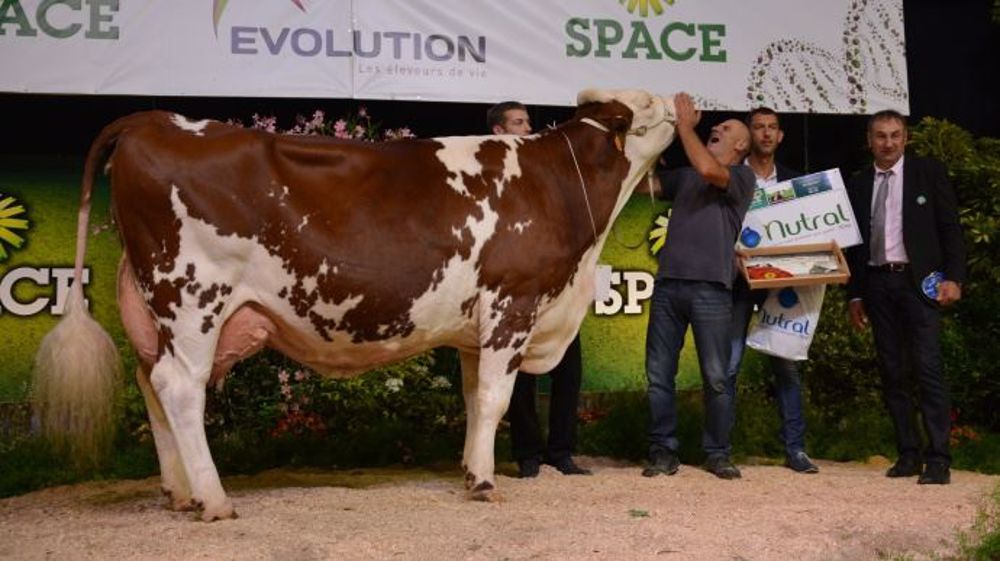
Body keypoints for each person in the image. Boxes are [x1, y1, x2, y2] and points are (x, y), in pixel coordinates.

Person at [845, 110, 965, 485]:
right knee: (893, 372)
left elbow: (951, 229)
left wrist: (955, 278)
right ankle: (908, 454)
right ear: (870, 140)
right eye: (881, 136)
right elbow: (853, 244)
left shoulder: (928, 172)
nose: (888, 143)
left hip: (920, 285)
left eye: (895, 135)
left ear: (906, 138)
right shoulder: (860, 182)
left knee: (927, 369)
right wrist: (855, 295)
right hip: (878, 284)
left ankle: (939, 458)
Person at [642, 93, 755, 480]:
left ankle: (718, 452)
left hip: (712, 289)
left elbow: (710, 171)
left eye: (725, 129)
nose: (716, 129)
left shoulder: (741, 177)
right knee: (658, 375)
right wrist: (653, 137)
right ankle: (662, 451)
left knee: (716, 377)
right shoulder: (688, 173)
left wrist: (686, 129)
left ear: (740, 145)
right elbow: (646, 185)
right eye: (715, 127)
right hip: (669, 285)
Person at [487, 100, 591, 478]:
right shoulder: (488, 171)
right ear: (498, 131)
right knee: (521, 372)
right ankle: (528, 453)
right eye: (518, 122)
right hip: (515, 288)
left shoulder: (546, 169)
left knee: (568, 369)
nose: (527, 128)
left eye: (528, 121)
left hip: (555, 283)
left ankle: (561, 451)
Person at [728, 107, 819, 474]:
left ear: (780, 136)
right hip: (737, 283)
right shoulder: (732, 178)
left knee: (786, 367)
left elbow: (812, 231)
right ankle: (722, 449)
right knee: (729, 366)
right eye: (758, 128)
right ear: (749, 135)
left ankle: (795, 449)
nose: (765, 134)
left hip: (782, 284)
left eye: (772, 128)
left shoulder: (797, 183)